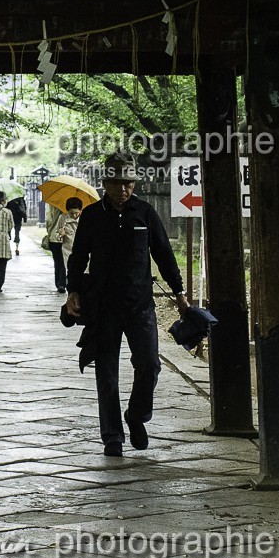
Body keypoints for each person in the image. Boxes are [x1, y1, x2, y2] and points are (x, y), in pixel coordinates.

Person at [66, 156, 190, 457]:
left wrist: (179, 292)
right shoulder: (92, 215)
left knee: (150, 365)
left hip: (140, 305)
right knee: (107, 373)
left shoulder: (144, 213)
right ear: (105, 184)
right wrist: (73, 291)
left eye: (128, 183)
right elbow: (78, 256)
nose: (123, 189)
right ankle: (112, 436)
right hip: (103, 307)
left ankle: (136, 415)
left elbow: (163, 252)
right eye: (117, 183)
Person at [44, 196, 83, 292]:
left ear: (80, 210)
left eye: (76, 213)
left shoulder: (85, 219)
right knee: (67, 270)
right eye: (71, 213)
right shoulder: (62, 218)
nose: (74, 215)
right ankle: (67, 288)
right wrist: (60, 234)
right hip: (67, 250)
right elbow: (57, 235)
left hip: (81, 250)